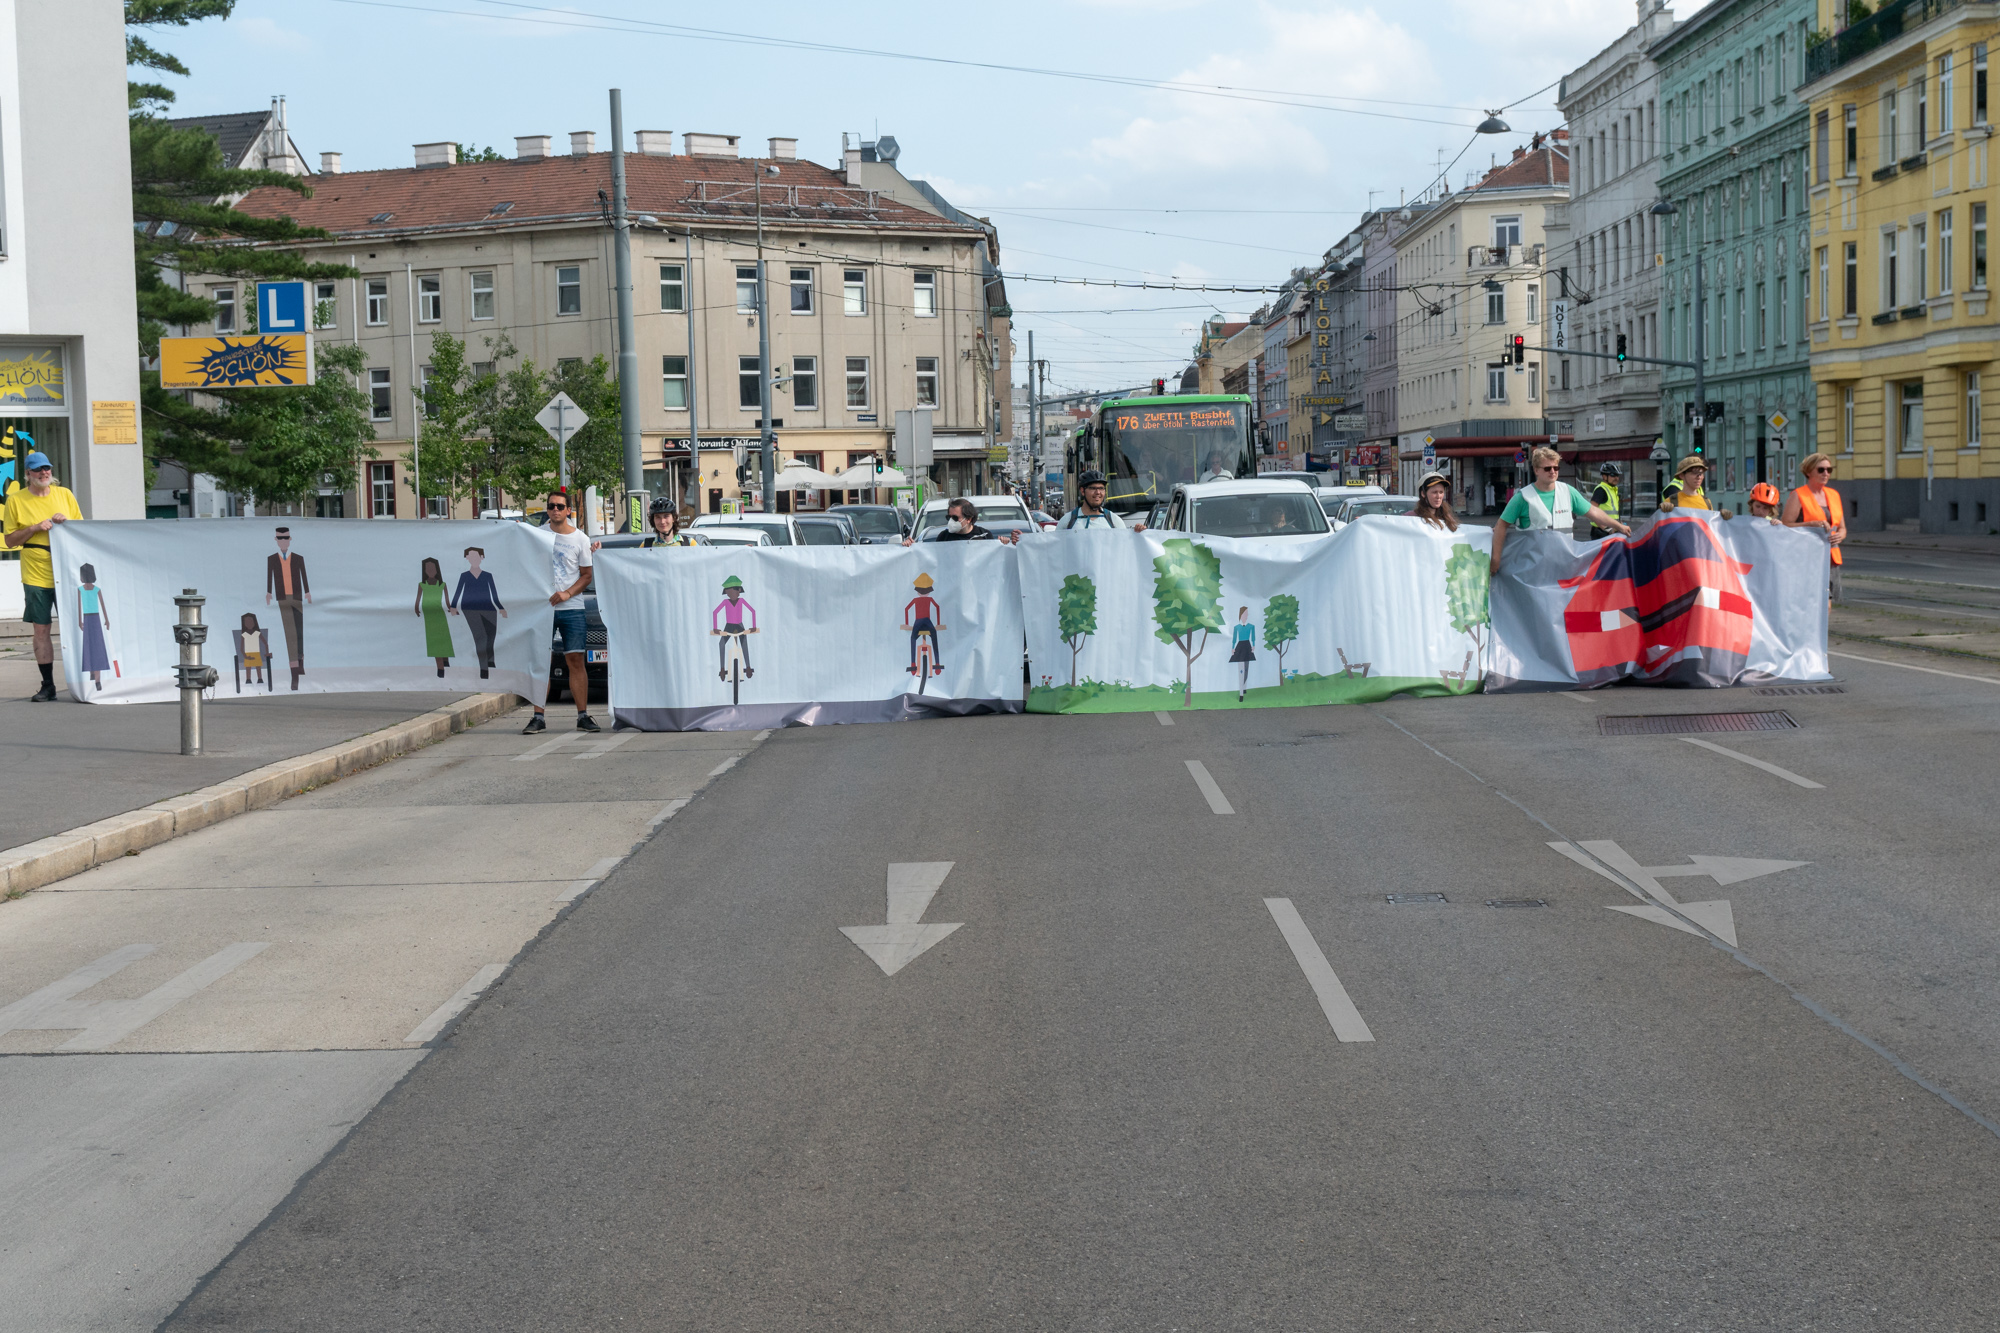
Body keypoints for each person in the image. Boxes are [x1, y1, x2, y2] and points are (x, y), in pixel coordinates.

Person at [3, 450, 81, 701]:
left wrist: (65, 521)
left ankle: (85, 682)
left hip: (66, 568)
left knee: (77, 628)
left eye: (46, 468)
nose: (44, 473)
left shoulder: (65, 494)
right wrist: (35, 527)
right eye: (37, 469)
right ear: (28, 474)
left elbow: (81, 530)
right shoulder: (15, 500)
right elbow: (10, 540)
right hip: (36, 573)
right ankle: (48, 685)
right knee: (41, 629)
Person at [523, 490, 598, 734]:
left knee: (575, 660)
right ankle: (538, 716)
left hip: (572, 608)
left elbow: (587, 576)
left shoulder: (580, 539)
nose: (555, 510)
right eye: (551, 506)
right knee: (541, 662)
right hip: (542, 609)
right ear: (547, 509)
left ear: (568, 511)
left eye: (560, 506)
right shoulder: (536, 534)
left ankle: (583, 715)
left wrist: (567, 593)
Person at [1489, 446, 1629, 577]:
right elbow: (1501, 525)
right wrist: (1496, 559)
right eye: (1547, 468)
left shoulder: (1568, 492)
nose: (1553, 471)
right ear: (1536, 470)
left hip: (1564, 565)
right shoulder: (1522, 498)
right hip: (1534, 570)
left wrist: (1619, 526)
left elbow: (1594, 512)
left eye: (1556, 468)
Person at [1783, 452, 1847, 604]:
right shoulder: (1798, 496)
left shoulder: (1834, 495)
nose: (1826, 473)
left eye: (1829, 470)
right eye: (1821, 470)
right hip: (1807, 558)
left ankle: (1823, 629)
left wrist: (1841, 536)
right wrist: (1810, 524)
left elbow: (1842, 527)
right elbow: (1785, 525)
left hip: (1830, 559)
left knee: (1827, 604)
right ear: (1809, 471)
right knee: (1810, 603)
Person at [449, 546, 508, 680]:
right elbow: (458, 591)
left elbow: (494, 594)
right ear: (467, 558)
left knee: (491, 635)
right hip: (470, 609)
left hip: (489, 608)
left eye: (477, 556)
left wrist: (501, 608)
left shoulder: (488, 576)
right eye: (471, 557)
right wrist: (453, 606)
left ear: (482, 558)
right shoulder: (464, 576)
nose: (474, 559)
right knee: (480, 636)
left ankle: (490, 658)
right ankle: (484, 668)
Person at [264, 525, 311, 690]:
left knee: (299, 633)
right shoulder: (272, 559)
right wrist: (269, 593)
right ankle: (294, 675)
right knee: (290, 636)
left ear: (289, 540)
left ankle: (301, 661)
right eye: (280, 538)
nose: (283, 541)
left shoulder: (298, 558)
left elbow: (303, 575)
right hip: (283, 598)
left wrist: (307, 592)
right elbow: (269, 576)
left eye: (285, 538)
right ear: (276, 540)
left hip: (297, 597)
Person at [711, 574, 758, 679]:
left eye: (735, 591)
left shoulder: (741, 601)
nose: (732, 594)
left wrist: (754, 627)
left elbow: (752, 611)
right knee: (721, 644)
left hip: (739, 626)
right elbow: (715, 612)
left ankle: (748, 667)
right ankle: (722, 669)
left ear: (739, 591)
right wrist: (715, 628)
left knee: (744, 643)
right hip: (729, 626)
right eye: (729, 592)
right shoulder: (725, 602)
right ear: (726, 592)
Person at [75, 562, 113, 691]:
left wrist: (107, 620)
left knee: (94, 646)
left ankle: (96, 677)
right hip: (91, 618)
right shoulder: (84, 590)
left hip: (93, 618)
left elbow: (102, 605)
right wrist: (80, 621)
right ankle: (94, 674)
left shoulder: (91, 590)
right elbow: (80, 606)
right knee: (93, 646)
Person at [415, 557, 455, 677]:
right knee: (434, 640)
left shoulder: (442, 585)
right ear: (424, 570)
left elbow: (447, 601)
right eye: (428, 569)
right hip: (429, 616)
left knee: (443, 637)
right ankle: (440, 668)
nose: (430, 571)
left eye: (432, 568)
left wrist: (451, 608)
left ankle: (445, 659)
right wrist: (416, 608)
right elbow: (418, 599)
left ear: (437, 570)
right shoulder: (422, 585)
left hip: (439, 614)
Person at [902, 572, 945, 676]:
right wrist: (938, 623)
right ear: (929, 591)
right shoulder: (930, 599)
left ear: (917, 592)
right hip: (927, 621)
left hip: (918, 622)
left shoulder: (915, 600)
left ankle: (913, 663)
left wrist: (907, 623)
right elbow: (937, 607)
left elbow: (906, 609)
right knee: (934, 638)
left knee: (913, 639)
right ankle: (937, 664)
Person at [1059, 471, 1126, 530]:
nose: (1098, 492)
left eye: (1101, 488)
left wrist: (1136, 533)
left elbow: (1125, 542)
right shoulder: (1067, 521)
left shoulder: (1114, 521)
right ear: (1082, 491)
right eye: (1093, 488)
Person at [1229, 605, 1256, 701]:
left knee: (1246, 669)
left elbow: (1253, 637)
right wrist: (1232, 648)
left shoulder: (1251, 626)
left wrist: (1253, 646)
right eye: (1245, 613)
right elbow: (1234, 639)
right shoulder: (1237, 627)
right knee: (1241, 670)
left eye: (1247, 613)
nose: (1247, 615)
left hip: (1248, 647)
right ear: (1241, 614)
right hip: (1240, 647)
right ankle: (1241, 693)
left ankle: (1244, 687)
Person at [1589, 463, 1622, 539]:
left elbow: (1614, 513)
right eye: (1613, 475)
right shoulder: (1601, 490)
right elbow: (1591, 511)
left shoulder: (1613, 490)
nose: (1616, 478)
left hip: (1612, 531)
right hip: (1601, 532)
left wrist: (1620, 525)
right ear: (1604, 476)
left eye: (1617, 475)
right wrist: (1606, 529)